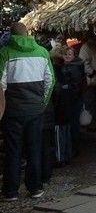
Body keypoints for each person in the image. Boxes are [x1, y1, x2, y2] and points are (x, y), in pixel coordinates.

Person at [0, 22, 54, 201]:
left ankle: (10, 192)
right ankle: (35, 188)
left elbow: (1, 85)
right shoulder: (43, 52)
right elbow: (50, 81)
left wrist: (3, 108)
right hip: (35, 110)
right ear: (27, 34)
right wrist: (42, 103)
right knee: (34, 149)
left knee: (13, 151)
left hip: (12, 112)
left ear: (11, 35)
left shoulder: (5, 53)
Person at [53, 46, 85, 158]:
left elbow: (74, 86)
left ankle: (73, 149)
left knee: (72, 125)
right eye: (65, 54)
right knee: (71, 125)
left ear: (74, 56)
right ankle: (71, 149)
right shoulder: (68, 66)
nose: (67, 56)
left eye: (69, 54)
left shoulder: (74, 67)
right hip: (71, 99)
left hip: (73, 100)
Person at [78, 35, 96, 132]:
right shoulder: (87, 47)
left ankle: (94, 124)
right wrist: (92, 73)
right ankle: (88, 124)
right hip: (91, 81)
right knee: (89, 104)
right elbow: (83, 61)